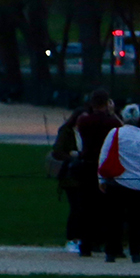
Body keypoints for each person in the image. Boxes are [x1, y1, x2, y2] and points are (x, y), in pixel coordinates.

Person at [97, 101, 140, 263]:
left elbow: (103, 156)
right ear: (139, 119)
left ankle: (111, 252)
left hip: (117, 182)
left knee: (114, 219)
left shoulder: (115, 133)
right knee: (136, 221)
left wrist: (101, 178)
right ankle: (135, 253)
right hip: (138, 184)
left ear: (123, 117)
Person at [72, 89, 121, 256]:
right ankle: (106, 243)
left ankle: (85, 245)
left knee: (86, 206)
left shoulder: (84, 121)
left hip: (87, 164)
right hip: (104, 166)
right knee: (107, 207)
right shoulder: (112, 123)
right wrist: (112, 113)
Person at [50, 104, 90, 253]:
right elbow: (57, 151)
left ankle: (85, 238)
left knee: (86, 208)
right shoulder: (66, 131)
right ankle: (72, 238)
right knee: (76, 207)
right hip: (71, 174)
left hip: (86, 173)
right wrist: (73, 157)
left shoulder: (90, 132)